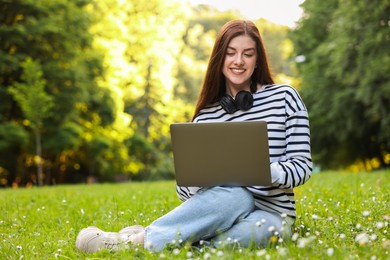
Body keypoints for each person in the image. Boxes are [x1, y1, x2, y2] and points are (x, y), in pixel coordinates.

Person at [75, 19, 312, 253]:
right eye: (231, 53)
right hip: (224, 205)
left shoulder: (285, 98)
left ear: (257, 59)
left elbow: (302, 167)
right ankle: (144, 241)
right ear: (220, 58)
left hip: (270, 214)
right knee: (237, 197)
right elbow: (185, 193)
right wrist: (198, 179)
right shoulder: (206, 116)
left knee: (262, 231)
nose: (238, 61)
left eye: (248, 54)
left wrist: (261, 171)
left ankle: (138, 241)